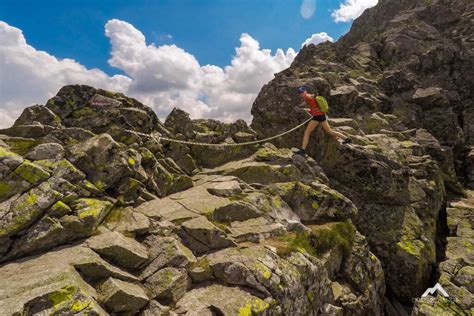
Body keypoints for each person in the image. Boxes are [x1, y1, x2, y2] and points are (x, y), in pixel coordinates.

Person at [295, 86, 352, 156]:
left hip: (317, 117)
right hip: (322, 115)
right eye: (300, 93)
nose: (301, 94)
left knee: (307, 132)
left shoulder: (307, 96)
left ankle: (302, 150)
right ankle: (347, 139)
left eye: (302, 92)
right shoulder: (307, 97)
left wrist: (312, 96)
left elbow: (310, 98)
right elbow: (311, 106)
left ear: (305, 91)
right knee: (330, 131)